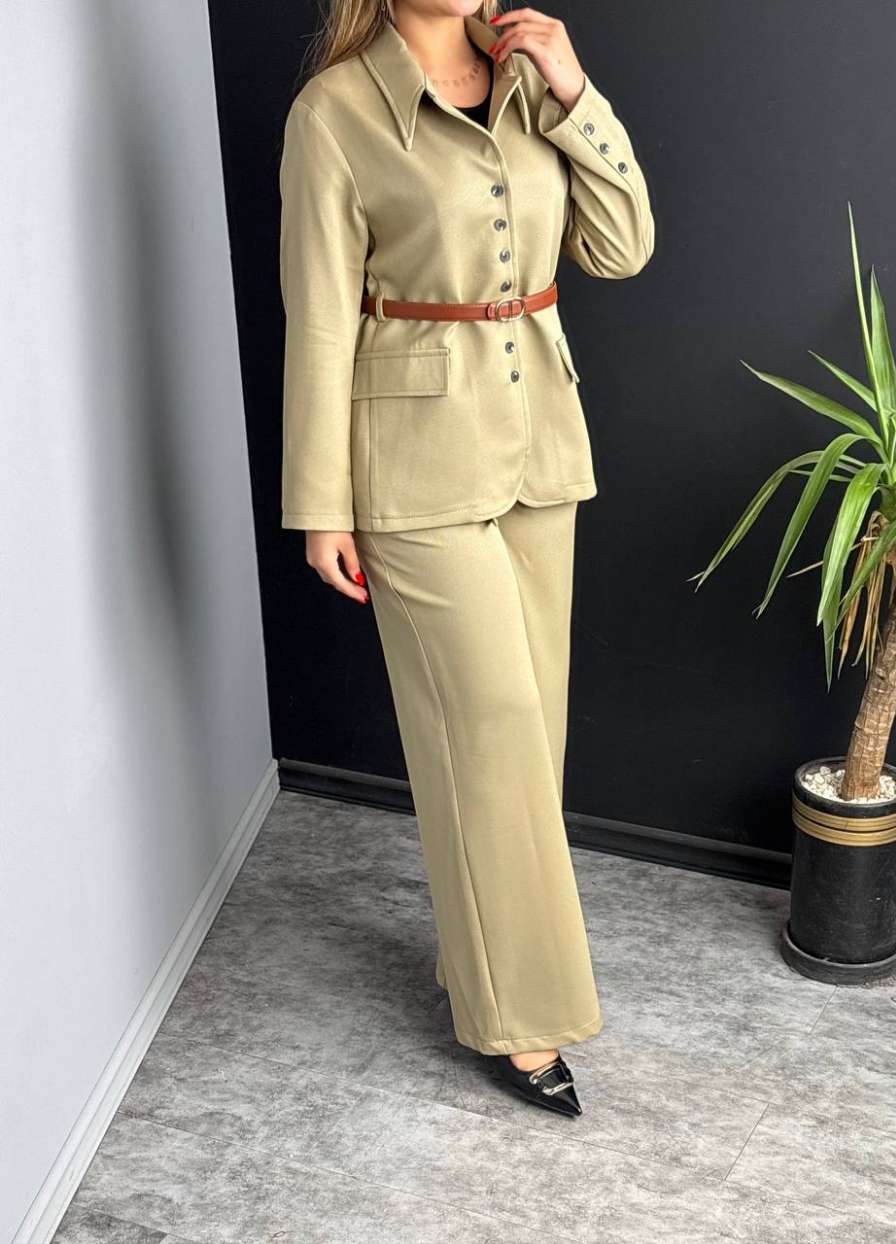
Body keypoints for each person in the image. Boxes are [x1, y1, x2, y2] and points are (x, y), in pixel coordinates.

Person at [278, 0, 654, 1116]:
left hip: (540, 443)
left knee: (530, 730)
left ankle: (479, 957)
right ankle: (519, 1020)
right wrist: (320, 504)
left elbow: (621, 247)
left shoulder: (530, 81)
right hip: (410, 458)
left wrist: (575, 87)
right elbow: (319, 316)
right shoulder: (334, 112)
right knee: (487, 723)